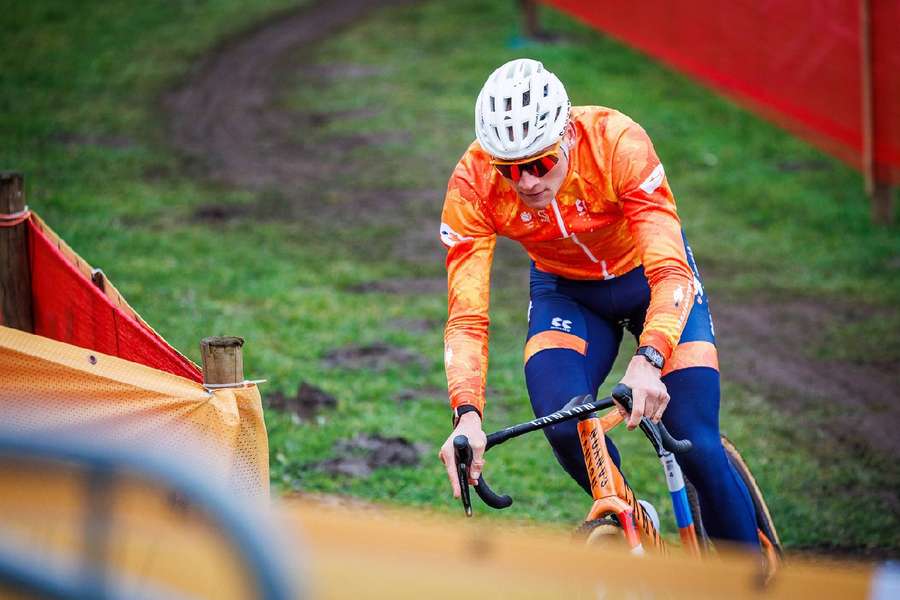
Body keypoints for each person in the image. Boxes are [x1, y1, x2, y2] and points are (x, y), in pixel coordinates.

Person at [437, 58, 759, 547]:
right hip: (566, 293)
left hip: (650, 280)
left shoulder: (616, 142)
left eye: (539, 163)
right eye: (510, 169)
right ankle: (633, 526)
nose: (525, 182)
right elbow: (466, 317)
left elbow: (672, 270)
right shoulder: (473, 183)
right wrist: (467, 414)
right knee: (564, 422)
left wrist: (650, 358)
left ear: (566, 135)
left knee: (696, 440)